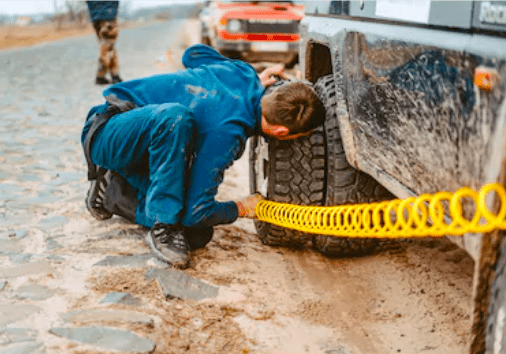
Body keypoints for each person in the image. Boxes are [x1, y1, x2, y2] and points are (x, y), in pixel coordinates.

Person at [81, 44, 325, 269]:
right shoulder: (227, 133)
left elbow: (193, 54)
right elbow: (196, 211)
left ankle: (112, 190)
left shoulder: (243, 71)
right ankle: (163, 226)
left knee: (198, 234)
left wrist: (236, 77)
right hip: (110, 130)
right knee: (176, 118)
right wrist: (242, 208)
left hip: (149, 145)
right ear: (282, 132)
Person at [86, 1, 123, 85]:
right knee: (107, 46)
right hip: (108, 13)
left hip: (95, 14)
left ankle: (115, 75)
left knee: (108, 46)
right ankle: (101, 75)